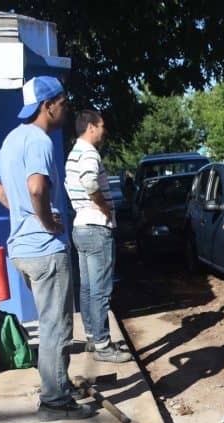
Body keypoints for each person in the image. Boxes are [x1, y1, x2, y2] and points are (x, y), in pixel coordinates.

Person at [0, 77, 96, 420]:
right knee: (56, 327)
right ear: (48, 105)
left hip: (21, 249)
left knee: (49, 323)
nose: (67, 107)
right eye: (63, 101)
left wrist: (17, 211)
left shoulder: (12, 139)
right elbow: (36, 188)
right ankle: (55, 400)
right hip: (45, 248)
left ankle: (54, 385)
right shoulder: (40, 141)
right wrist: (45, 221)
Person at [64, 109, 129, 363]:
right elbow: (90, 181)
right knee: (101, 289)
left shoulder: (73, 154)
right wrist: (101, 204)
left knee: (88, 287)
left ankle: (93, 336)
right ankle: (103, 345)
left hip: (80, 225)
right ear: (91, 127)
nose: (104, 130)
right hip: (96, 226)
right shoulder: (89, 153)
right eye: (102, 125)